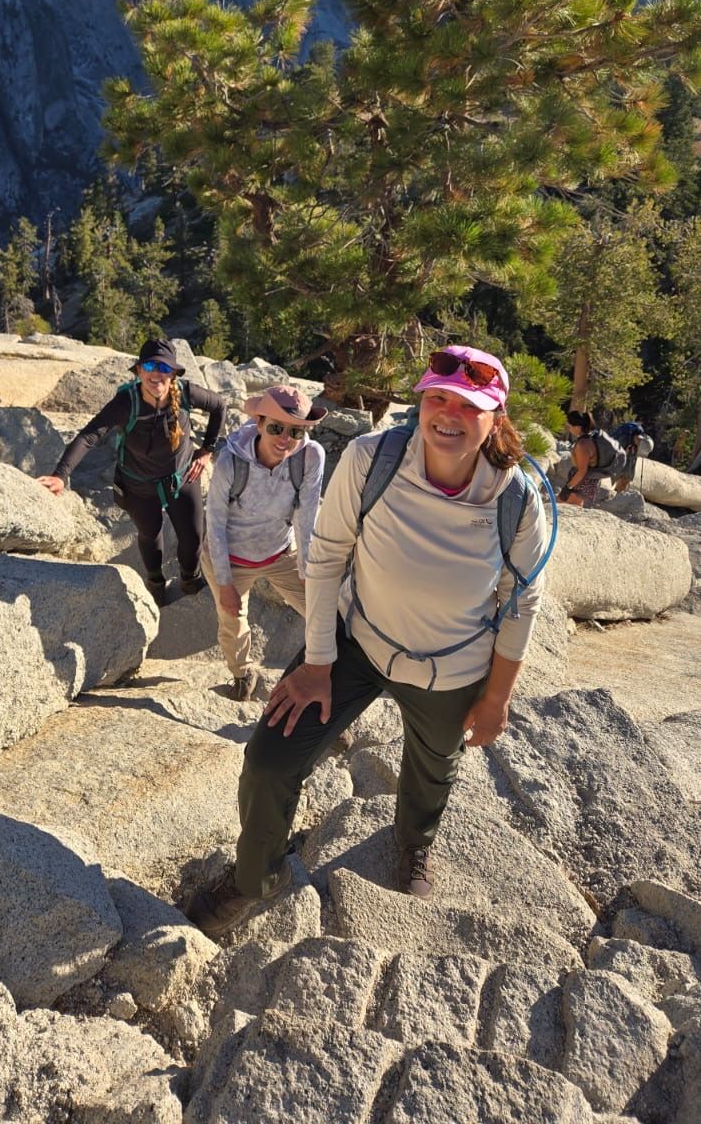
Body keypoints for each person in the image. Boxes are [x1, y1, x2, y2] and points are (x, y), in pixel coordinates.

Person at [190, 345, 548, 936]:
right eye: (437, 398)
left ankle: (414, 843)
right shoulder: (372, 459)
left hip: (451, 669)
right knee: (269, 761)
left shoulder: (513, 498)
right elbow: (327, 557)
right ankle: (255, 877)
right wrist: (318, 663)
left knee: (433, 770)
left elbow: (522, 600)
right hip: (356, 641)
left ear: (496, 417)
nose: (448, 414)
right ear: (419, 402)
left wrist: (496, 699)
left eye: (468, 403)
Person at [38, 337, 226, 602]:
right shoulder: (127, 402)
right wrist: (60, 475)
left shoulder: (186, 393)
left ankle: (189, 580)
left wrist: (207, 450)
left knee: (193, 537)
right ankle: (156, 585)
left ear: (173, 373)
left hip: (182, 477)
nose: (157, 374)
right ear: (139, 371)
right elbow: (89, 436)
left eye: (164, 368)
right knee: (150, 535)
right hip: (139, 485)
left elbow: (219, 406)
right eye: (150, 366)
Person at [201, 385, 327, 702]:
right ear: (258, 424)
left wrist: (307, 570)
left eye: (296, 431)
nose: (285, 438)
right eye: (275, 427)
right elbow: (214, 523)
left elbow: (307, 517)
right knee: (232, 620)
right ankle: (243, 674)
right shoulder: (231, 461)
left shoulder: (310, 457)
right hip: (230, 555)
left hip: (281, 552)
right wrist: (226, 584)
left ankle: (318, 680)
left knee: (324, 613)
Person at [558, 410, 602, 508]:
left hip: (580, 484)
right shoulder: (590, 439)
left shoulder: (582, 445)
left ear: (578, 427)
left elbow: (582, 471)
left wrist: (568, 487)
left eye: (570, 426)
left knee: (560, 506)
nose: (569, 428)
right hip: (586, 483)